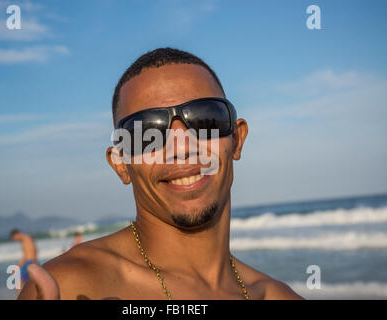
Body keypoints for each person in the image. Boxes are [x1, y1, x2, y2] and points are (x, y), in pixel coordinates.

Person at [19, 47, 303, 300]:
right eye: (146, 133)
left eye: (206, 119)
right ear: (120, 164)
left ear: (237, 139)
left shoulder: (276, 295)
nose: (182, 148)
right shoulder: (73, 286)